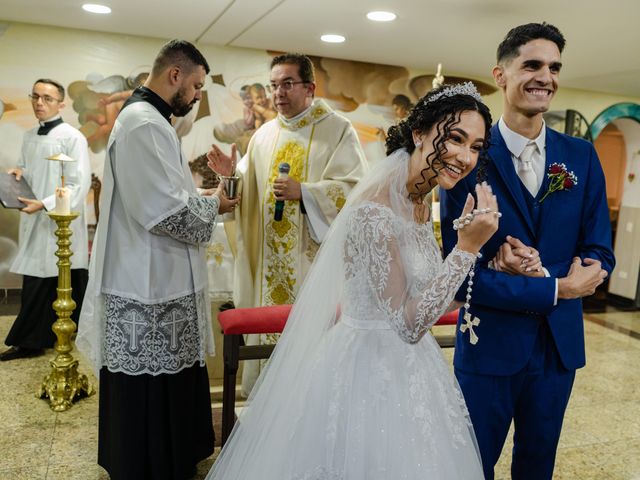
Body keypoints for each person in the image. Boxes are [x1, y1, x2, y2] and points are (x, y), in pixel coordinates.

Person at [205, 83, 497, 479]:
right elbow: (409, 324)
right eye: (455, 138)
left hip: (412, 369)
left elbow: (425, 296)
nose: (465, 156)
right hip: (367, 370)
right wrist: (466, 249)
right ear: (419, 134)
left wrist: (490, 263)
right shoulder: (375, 209)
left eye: (476, 146)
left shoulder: (417, 196)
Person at [440, 23, 615, 480]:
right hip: (488, 345)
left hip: (558, 350)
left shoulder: (579, 156)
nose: (546, 76)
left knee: (538, 466)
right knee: (471, 465)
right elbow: (456, 272)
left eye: (554, 67)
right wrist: (558, 286)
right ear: (501, 74)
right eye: (532, 65)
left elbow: (598, 251)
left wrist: (557, 277)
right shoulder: (469, 157)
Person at [76, 39, 238, 480]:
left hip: (157, 273)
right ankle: (149, 462)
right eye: (197, 86)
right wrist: (216, 206)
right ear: (175, 76)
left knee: (165, 375)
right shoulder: (143, 123)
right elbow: (162, 211)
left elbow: (167, 195)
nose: (198, 95)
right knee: (150, 381)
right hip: (146, 279)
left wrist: (203, 196)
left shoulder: (148, 120)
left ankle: (171, 453)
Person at [207, 53, 368, 395]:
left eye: (287, 84)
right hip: (269, 267)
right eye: (274, 85)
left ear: (310, 87)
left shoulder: (337, 129)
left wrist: (306, 193)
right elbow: (248, 191)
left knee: (312, 355)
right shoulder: (264, 136)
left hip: (311, 265)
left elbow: (355, 190)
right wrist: (229, 176)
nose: (278, 93)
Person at [0, 78, 90, 361]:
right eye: (35, 96)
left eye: (47, 98)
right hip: (34, 217)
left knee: (54, 278)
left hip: (59, 222)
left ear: (60, 103)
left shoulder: (73, 137)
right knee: (39, 278)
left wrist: (46, 204)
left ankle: (33, 341)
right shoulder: (29, 136)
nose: (39, 103)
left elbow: (79, 183)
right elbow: (28, 168)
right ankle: (39, 338)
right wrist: (18, 172)